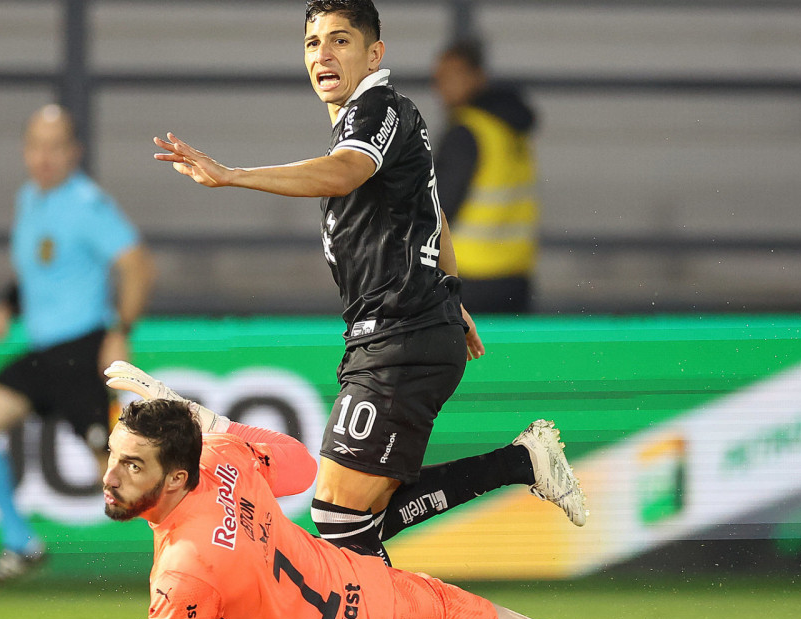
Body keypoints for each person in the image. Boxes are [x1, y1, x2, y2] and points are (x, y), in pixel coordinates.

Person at [0, 384, 801, 619]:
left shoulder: (181, 569)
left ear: (177, 477)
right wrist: (205, 417)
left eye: (132, 465)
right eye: (114, 459)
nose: (111, 476)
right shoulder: (223, 459)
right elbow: (299, 468)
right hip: (385, 597)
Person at [152, 0, 584, 564]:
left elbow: (345, 172)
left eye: (340, 40)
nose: (323, 55)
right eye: (312, 43)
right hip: (400, 332)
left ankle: (515, 472)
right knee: (352, 524)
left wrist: (232, 175)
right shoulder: (382, 121)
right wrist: (450, 296)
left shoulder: (376, 109)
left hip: (401, 336)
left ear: (374, 53)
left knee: (339, 518)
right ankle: (520, 464)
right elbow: (434, 214)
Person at [0, 104, 157, 584]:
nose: (44, 157)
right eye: (36, 147)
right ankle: (20, 542)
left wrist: (120, 331)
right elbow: (39, 269)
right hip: (43, 355)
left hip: (81, 354)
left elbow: (138, 266)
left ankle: (199, 559)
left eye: (55, 147)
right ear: (26, 151)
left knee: (119, 475)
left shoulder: (87, 204)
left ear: (74, 152)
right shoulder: (29, 199)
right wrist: (8, 305)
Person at [432, 38, 540, 313]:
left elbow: (439, 207)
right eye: (440, 77)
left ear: (477, 77)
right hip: (515, 274)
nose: (443, 86)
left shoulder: (466, 132)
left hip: (469, 275)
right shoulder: (509, 129)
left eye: (454, 75)